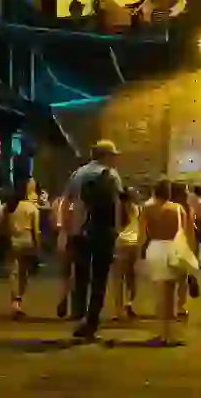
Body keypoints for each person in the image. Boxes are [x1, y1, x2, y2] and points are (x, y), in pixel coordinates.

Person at [62, 139, 124, 339]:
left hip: (80, 230)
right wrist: (116, 230)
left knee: (80, 275)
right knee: (99, 277)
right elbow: (118, 204)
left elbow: (66, 201)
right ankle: (92, 320)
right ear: (105, 155)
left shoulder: (78, 173)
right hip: (103, 231)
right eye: (112, 155)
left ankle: (79, 314)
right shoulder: (111, 175)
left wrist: (66, 228)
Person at [140, 179, 194, 346]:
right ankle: (171, 335)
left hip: (155, 248)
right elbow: (186, 234)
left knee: (160, 295)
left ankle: (162, 334)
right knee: (171, 295)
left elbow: (142, 236)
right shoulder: (178, 209)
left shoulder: (146, 209)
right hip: (173, 249)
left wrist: (138, 256)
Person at [4, 178, 41, 318]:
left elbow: (2, 224)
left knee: (13, 272)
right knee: (24, 274)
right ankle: (19, 299)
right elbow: (36, 231)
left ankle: (14, 302)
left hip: (13, 241)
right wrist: (38, 246)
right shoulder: (32, 209)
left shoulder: (9, 207)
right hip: (28, 242)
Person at [169, 181, 199, 319]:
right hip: (183, 245)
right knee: (182, 278)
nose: (187, 193)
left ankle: (170, 306)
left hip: (170, 244)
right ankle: (181, 306)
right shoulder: (188, 209)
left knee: (171, 278)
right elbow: (190, 231)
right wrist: (192, 249)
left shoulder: (169, 208)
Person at [111, 188, 142, 321]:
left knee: (118, 279)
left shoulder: (117, 210)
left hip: (119, 244)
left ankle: (117, 310)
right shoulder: (136, 209)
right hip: (133, 244)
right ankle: (129, 303)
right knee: (132, 277)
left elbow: (116, 228)